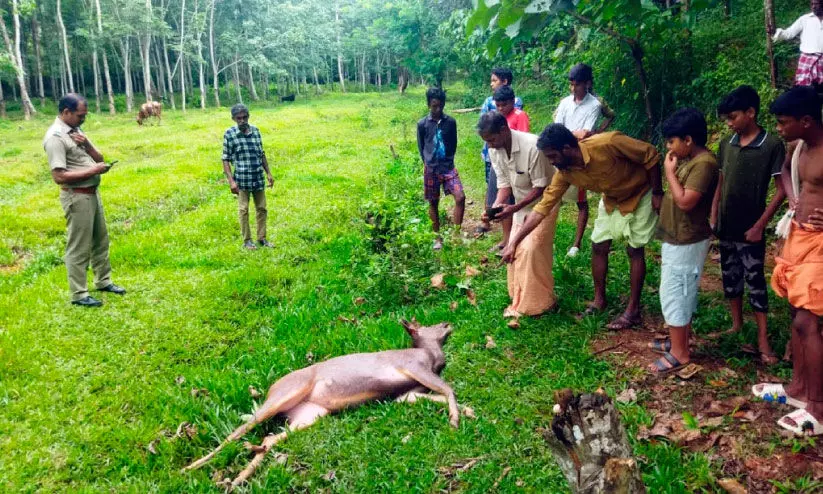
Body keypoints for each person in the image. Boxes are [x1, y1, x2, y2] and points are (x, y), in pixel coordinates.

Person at [502, 125, 662, 330]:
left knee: (634, 249)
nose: (551, 162)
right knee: (598, 245)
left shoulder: (608, 142)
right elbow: (543, 207)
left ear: (567, 149)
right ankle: (599, 301)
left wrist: (657, 192)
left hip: (641, 193)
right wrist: (514, 242)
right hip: (612, 199)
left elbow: (650, 154)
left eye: (552, 156)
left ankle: (633, 311)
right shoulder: (564, 173)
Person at [753, 86, 823, 436]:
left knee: (809, 323)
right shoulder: (799, 147)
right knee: (796, 317)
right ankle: (798, 390)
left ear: (806, 121)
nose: (778, 129)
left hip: (821, 247)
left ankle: (819, 408)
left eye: (783, 123)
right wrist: (794, 202)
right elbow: (784, 169)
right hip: (798, 238)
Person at [711, 85, 786, 365]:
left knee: (755, 281)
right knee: (730, 276)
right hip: (727, 225)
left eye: (733, 117)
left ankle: (763, 338)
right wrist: (714, 213)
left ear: (751, 113)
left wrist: (760, 225)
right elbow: (721, 179)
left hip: (751, 227)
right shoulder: (727, 144)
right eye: (727, 120)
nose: (730, 124)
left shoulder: (770, 145)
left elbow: (781, 189)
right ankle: (736, 324)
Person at [648, 108, 718, 374]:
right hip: (677, 236)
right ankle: (678, 341)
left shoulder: (704, 164)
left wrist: (669, 174)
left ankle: (680, 352)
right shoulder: (690, 159)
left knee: (678, 291)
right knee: (674, 289)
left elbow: (686, 201)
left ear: (688, 140)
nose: (669, 147)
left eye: (672, 141)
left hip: (687, 239)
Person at [43, 93, 126, 307]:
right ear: (66, 112)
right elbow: (59, 176)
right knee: (79, 247)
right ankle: (79, 294)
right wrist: (94, 170)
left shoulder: (76, 130)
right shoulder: (56, 137)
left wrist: (88, 145)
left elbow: (98, 158)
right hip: (76, 197)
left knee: (101, 240)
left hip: (91, 194)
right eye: (80, 116)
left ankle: (103, 280)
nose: (83, 120)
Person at [478, 112, 557, 317]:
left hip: (544, 204)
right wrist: (495, 208)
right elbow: (504, 185)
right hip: (521, 206)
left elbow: (541, 187)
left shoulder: (533, 147)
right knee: (513, 251)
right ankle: (519, 297)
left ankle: (539, 303)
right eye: (486, 141)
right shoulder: (494, 149)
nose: (490, 145)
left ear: (504, 130)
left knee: (531, 249)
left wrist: (513, 208)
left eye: (492, 139)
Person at [553, 63, 616, 257]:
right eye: (571, 85)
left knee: (580, 200)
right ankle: (550, 236)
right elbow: (558, 129)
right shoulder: (565, 103)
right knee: (553, 196)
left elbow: (585, 134)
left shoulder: (595, 104)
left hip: (579, 156)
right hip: (560, 155)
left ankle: (577, 243)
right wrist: (574, 134)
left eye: (577, 85)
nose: (573, 89)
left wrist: (594, 133)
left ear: (587, 84)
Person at [417, 87, 464, 250]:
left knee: (460, 197)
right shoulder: (422, 124)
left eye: (440, 106)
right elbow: (421, 146)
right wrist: (427, 163)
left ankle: (456, 234)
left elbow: (453, 143)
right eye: (434, 106)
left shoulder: (450, 122)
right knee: (433, 202)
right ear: (429, 104)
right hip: (431, 168)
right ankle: (437, 237)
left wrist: (449, 160)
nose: (437, 109)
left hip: (448, 167)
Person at [222, 104, 274, 250]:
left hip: (257, 177)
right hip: (242, 180)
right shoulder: (229, 134)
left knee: (262, 208)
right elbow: (225, 158)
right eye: (239, 118)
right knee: (243, 210)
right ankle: (247, 241)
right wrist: (231, 181)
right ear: (233, 119)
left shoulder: (256, 132)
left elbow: (261, 153)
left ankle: (262, 238)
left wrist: (268, 173)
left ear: (248, 116)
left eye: (244, 117)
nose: (242, 121)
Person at [478, 68, 522, 235]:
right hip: (494, 155)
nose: (491, 83)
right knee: (493, 186)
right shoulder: (488, 101)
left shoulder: (517, 108)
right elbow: (483, 124)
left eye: (494, 80)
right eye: (498, 105)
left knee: (511, 193)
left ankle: (511, 231)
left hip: (512, 155)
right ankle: (488, 218)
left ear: (505, 81)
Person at [490, 85, 530, 250]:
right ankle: (506, 239)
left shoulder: (520, 116)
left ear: (513, 102)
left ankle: (518, 239)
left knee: (517, 203)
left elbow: (523, 137)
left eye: (503, 105)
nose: (500, 108)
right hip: (500, 161)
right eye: (497, 105)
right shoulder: (495, 118)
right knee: (502, 202)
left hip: (517, 163)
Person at [773, 1, 823, 87]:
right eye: (812, 4)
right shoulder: (804, 19)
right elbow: (789, 33)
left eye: (816, 4)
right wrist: (776, 33)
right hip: (807, 58)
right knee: (804, 88)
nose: (814, 6)